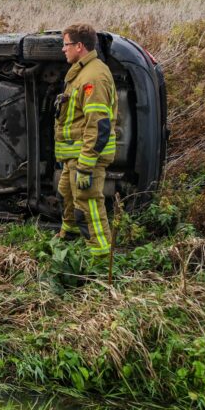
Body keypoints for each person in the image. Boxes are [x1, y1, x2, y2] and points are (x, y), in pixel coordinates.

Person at [53, 23, 118, 263]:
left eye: (66, 44)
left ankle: (101, 259)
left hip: (85, 158)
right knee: (66, 197)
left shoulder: (94, 76)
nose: (63, 49)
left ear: (79, 46)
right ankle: (67, 238)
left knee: (88, 206)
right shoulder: (82, 72)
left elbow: (98, 125)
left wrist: (86, 165)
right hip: (74, 157)